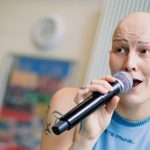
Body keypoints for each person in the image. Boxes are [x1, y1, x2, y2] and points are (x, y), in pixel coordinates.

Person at [40, 12, 150, 150]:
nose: (129, 64)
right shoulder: (68, 103)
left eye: (145, 51)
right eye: (120, 49)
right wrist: (85, 139)